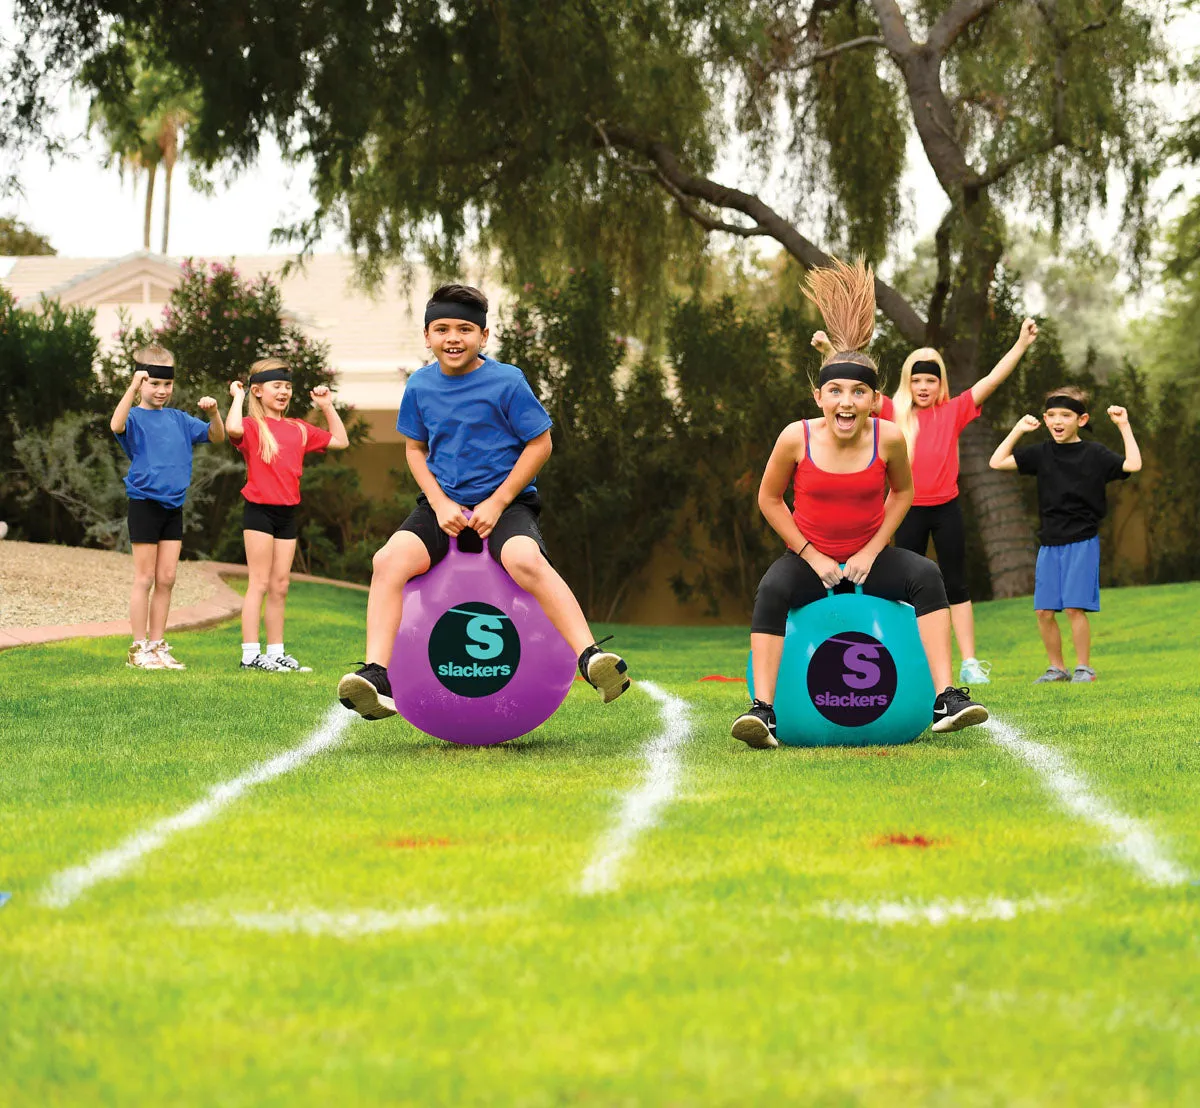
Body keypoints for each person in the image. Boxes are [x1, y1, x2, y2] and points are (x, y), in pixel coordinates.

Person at [338, 283, 630, 721]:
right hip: (443, 506)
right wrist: (438, 504)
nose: (453, 337)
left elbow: (540, 443)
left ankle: (590, 658)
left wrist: (497, 502)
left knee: (525, 559)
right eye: (442, 328)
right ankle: (378, 674)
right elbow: (415, 450)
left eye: (464, 328)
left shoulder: (507, 381)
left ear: (484, 336)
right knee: (387, 561)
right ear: (426, 336)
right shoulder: (419, 386)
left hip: (507, 505)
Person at [733, 257, 988, 749]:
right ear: (818, 396)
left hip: (870, 557)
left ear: (874, 399)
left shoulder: (889, 438)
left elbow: (904, 493)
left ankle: (946, 697)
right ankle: (764, 711)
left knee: (927, 575)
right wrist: (811, 555)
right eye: (835, 391)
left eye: (858, 391)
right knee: (771, 589)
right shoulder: (795, 438)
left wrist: (872, 551)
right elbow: (769, 499)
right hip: (811, 559)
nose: (846, 401)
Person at [887, 320, 1038, 684]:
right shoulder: (891, 412)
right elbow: (850, 387)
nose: (924, 387)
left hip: (946, 509)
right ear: (908, 382)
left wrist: (1020, 344)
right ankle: (911, 657)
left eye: (931, 380)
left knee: (956, 583)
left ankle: (969, 662)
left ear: (941, 384)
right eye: (917, 380)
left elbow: (992, 380)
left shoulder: (953, 410)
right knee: (904, 586)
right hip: (906, 511)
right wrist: (829, 349)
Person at [989, 387, 1141, 682]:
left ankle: (1084, 668)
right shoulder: (1042, 453)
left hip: (1082, 540)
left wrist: (1123, 424)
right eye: (1052, 415)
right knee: (1044, 611)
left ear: (1081, 420)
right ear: (1045, 419)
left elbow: (1133, 465)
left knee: (1073, 608)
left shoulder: (1095, 454)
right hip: (1050, 542)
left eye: (1066, 415)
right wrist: (1018, 430)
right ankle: (1057, 668)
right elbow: (997, 462)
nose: (1058, 420)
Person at [226, 358, 349, 673]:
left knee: (280, 584)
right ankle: (251, 654)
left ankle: (276, 652)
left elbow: (340, 441)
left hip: (287, 513)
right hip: (259, 512)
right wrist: (238, 396)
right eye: (276, 386)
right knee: (259, 582)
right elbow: (232, 428)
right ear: (258, 390)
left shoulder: (298, 428)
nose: (283, 392)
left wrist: (326, 406)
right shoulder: (253, 427)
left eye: (287, 387)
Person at [110, 345, 224, 670]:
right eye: (154, 384)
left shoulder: (180, 419)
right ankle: (137, 649)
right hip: (145, 504)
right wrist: (131, 388)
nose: (161, 391)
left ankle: (158, 646)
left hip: (173, 507)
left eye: (167, 385)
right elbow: (115, 425)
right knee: (144, 578)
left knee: (167, 577)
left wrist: (214, 412)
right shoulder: (133, 417)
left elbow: (216, 436)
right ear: (142, 382)